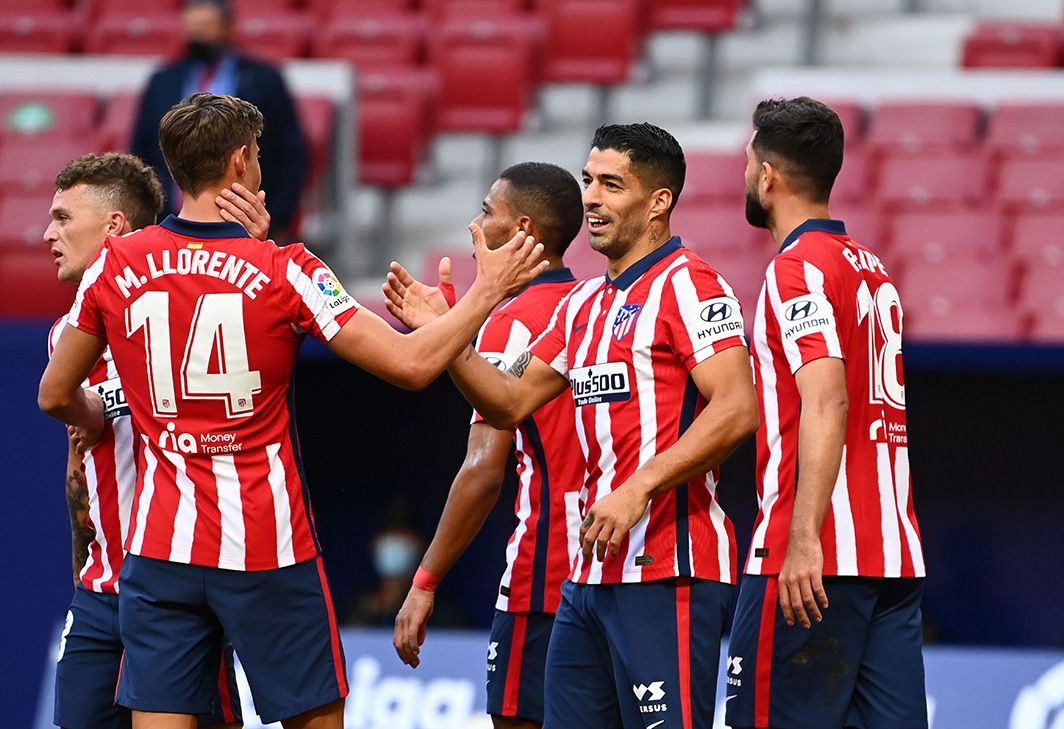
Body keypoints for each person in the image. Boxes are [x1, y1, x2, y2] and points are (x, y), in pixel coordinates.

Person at [38, 92, 547, 729]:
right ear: (241, 161)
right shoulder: (284, 269)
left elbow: (55, 396)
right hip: (264, 542)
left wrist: (97, 414)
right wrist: (486, 293)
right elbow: (413, 366)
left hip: (160, 546)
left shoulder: (115, 266)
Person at [384, 124, 759, 729]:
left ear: (659, 201)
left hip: (668, 571)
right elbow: (508, 403)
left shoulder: (692, 284)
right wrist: (446, 335)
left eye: (611, 184)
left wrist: (638, 488)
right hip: (585, 581)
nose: (591, 198)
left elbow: (737, 408)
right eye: (588, 181)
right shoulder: (583, 305)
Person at [724, 97, 928, 729]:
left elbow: (828, 396)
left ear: (768, 176)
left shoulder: (795, 270)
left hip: (812, 561)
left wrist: (804, 538)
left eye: (747, 162)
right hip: (892, 559)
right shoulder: (874, 270)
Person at [45, 152, 259, 729]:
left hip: (177, 587)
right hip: (101, 593)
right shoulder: (67, 335)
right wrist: (83, 568)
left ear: (114, 227)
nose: (48, 234)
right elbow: (79, 461)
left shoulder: (193, 311)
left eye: (64, 218)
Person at [391, 162, 586, 729]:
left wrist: (424, 582)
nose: (475, 226)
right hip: (613, 576)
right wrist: (458, 328)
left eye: (486, 213)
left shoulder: (514, 321)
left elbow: (483, 469)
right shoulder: (593, 308)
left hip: (544, 579)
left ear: (522, 229)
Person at [131, 0, 306, 236]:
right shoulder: (163, 80)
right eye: (194, 28)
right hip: (172, 222)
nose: (199, 35)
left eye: (207, 26)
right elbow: (142, 149)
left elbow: (292, 153)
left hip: (246, 221)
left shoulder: (266, 80)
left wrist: (275, 218)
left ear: (227, 27)